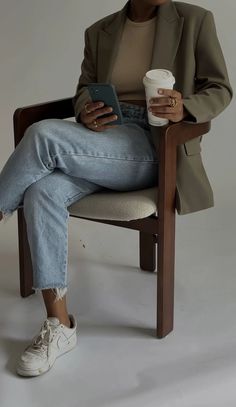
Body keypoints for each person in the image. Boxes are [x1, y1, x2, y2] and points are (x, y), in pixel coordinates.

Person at [0, 0, 232, 377]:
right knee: (41, 191)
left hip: (154, 143)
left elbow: (220, 88)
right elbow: (82, 93)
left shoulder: (195, 20)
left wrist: (184, 107)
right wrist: (85, 110)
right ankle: (59, 326)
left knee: (43, 134)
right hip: (101, 141)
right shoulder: (100, 31)